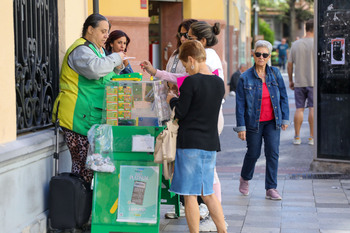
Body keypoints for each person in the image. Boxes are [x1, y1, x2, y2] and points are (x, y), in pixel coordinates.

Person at [52, 13, 125, 184]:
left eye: (108, 31)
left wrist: (117, 69)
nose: (106, 35)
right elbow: (94, 70)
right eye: (103, 31)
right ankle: (78, 205)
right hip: (76, 116)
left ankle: (84, 205)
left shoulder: (97, 50)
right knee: (83, 165)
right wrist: (115, 57)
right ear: (90, 30)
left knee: (91, 166)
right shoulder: (81, 49)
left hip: (89, 116)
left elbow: (103, 77)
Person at [167, 40, 227, 233]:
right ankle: (222, 229)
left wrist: (172, 100)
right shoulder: (219, 83)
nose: (186, 70)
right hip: (210, 143)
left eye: (185, 65)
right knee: (208, 193)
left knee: (189, 195)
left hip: (190, 143)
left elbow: (181, 112)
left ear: (191, 59)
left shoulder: (191, 82)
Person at [234, 40, 289, 200]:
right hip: (253, 122)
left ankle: (271, 188)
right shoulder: (245, 77)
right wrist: (241, 127)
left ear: (269, 56)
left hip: (273, 121)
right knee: (253, 153)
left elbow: (284, 96)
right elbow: (239, 105)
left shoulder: (276, 74)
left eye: (265, 55)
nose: (261, 57)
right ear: (253, 54)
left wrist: (285, 118)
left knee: (273, 153)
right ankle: (245, 178)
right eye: (258, 54)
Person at [288, 19, 314, 146]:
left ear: (306, 28)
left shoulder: (296, 44)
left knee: (299, 109)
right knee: (313, 109)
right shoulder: (317, 43)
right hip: (314, 82)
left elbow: (289, 64)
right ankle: (312, 137)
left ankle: (297, 137)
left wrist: (291, 80)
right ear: (315, 29)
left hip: (299, 81)